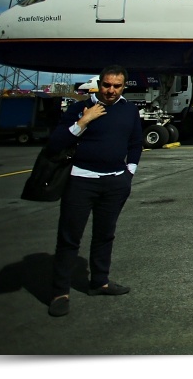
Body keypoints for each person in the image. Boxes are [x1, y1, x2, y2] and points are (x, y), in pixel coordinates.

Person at [46, 64, 143, 318]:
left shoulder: (129, 111)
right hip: (81, 181)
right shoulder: (81, 107)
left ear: (124, 87)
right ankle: (60, 293)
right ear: (99, 84)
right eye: (106, 85)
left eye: (116, 86)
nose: (110, 91)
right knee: (69, 238)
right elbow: (55, 143)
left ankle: (99, 282)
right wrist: (84, 121)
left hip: (114, 182)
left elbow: (135, 143)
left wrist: (129, 172)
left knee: (105, 234)